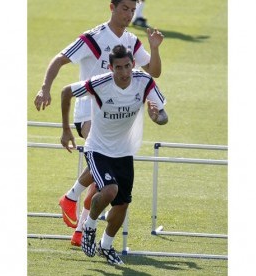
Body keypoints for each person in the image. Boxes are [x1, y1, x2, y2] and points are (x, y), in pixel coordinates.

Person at [33, 0, 164, 247]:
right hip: (89, 112)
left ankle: (80, 230)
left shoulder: (131, 42)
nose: (129, 15)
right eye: (125, 9)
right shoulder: (94, 38)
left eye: (133, 10)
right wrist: (45, 88)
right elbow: (60, 59)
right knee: (105, 163)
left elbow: (154, 72)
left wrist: (154, 49)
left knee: (104, 179)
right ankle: (71, 198)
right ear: (111, 8)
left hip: (114, 117)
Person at [60, 45, 168, 265]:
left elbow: (164, 116)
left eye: (127, 66)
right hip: (97, 149)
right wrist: (66, 129)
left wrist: (157, 118)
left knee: (122, 205)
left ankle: (106, 246)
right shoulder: (100, 84)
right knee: (110, 190)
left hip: (124, 152)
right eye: (118, 68)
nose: (124, 72)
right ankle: (88, 227)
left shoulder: (144, 82)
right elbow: (65, 92)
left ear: (133, 65)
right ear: (110, 68)